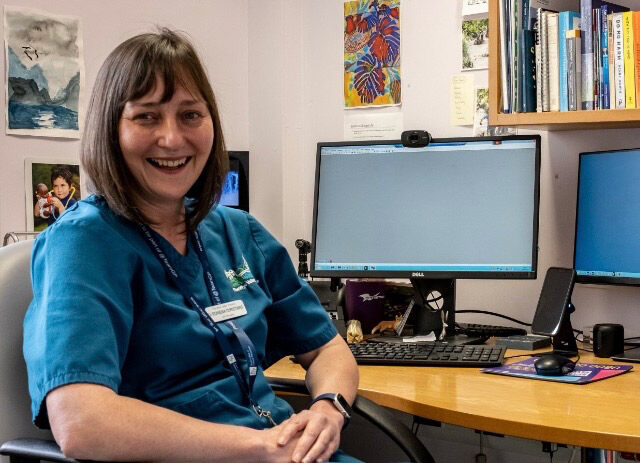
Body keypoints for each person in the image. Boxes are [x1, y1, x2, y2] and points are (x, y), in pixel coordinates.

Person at [24, 28, 360, 463]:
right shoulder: (83, 243)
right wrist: (261, 446)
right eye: (146, 116)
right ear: (111, 129)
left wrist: (329, 408)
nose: (172, 138)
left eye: (190, 115)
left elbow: (328, 347)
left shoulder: (237, 231)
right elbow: (82, 422)